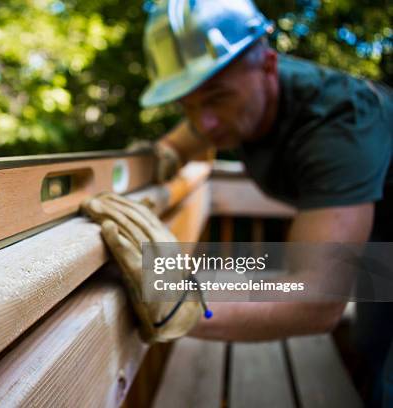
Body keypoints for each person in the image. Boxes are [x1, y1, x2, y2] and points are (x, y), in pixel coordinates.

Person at [81, 0, 392, 406]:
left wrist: (187, 307)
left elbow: (318, 301)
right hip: (379, 233)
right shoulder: (242, 97)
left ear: (268, 66)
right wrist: (154, 163)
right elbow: (181, 142)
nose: (203, 122)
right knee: (370, 347)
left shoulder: (337, 128)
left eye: (215, 99)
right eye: (187, 104)